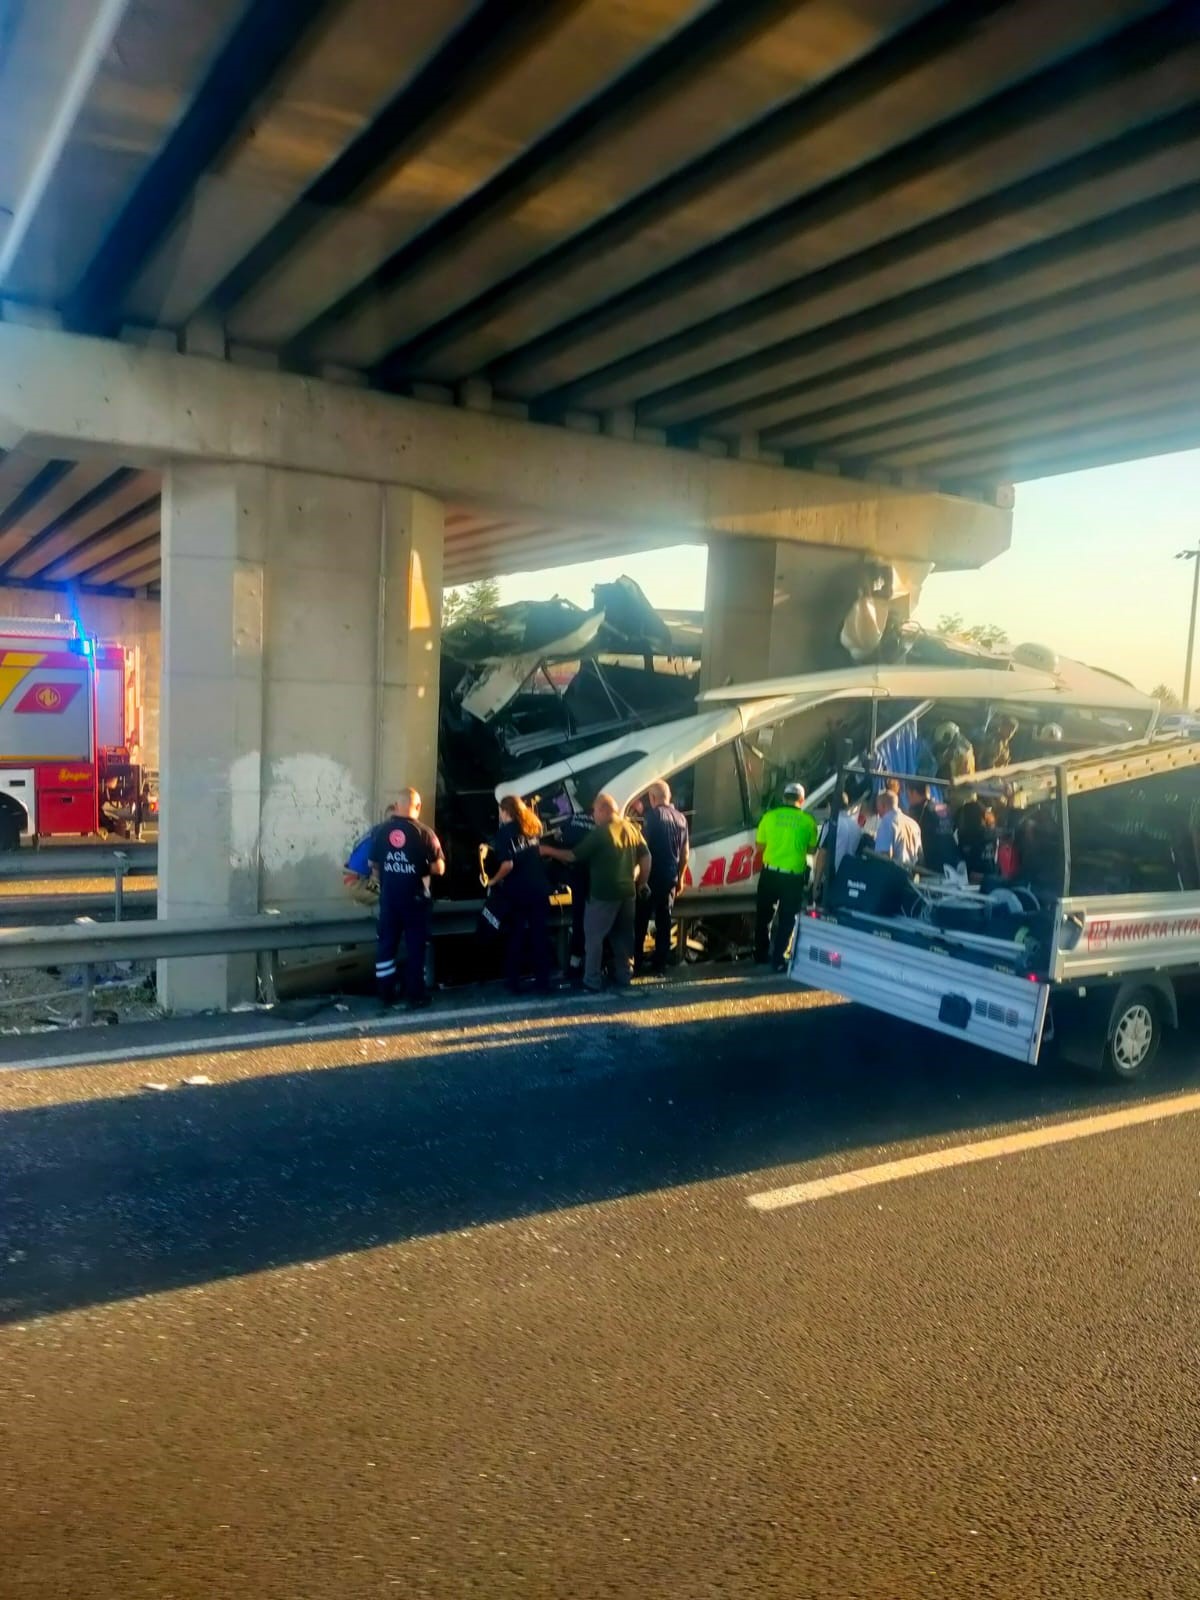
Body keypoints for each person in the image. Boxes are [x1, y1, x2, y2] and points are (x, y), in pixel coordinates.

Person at [540, 792, 650, 992]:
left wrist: (547, 851)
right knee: (622, 937)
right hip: (628, 893)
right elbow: (646, 857)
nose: (593, 817)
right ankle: (624, 976)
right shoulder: (632, 828)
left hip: (603, 894)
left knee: (594, 938)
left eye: (595, 812)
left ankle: (592, 980)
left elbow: (573, 856)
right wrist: (641, 882)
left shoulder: (601, 832)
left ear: (603, 810)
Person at [368, 788, 445, 1008]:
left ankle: (386, 992)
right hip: (415, 899)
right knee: (416, 947)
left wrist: (390, 873)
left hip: (390, 898)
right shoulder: (425, 833)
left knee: (386, 945)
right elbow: (440, 867)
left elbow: (372, 866)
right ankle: (415, 994)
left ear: (396, 805)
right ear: (418, 806)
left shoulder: (381, 832)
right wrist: (418, 868)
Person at [486, 795, 553, 996]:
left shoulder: (504, 833)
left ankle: (514, 982)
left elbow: (508, 865)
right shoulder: (532, 828)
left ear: (505, 811)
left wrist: (493, 880)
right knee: (540, 935)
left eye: (500, 810)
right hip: (540, 888)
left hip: (518, 891)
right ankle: (543, 982)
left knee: (516, 935)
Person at [755, 781, 819, 970]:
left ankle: (760, 955)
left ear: (784, 798)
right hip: (793, 877)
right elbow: (812, 849)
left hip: (769, 873)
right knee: (787, 918)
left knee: (764, 916)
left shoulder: (769, 817)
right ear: (801, 800)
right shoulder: (808, 821)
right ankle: (778, 959)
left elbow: (759, 846)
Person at [635, 779, 689, 974]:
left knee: (640, 921)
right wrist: (681, 878)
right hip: (670, 878)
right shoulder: (682, 819)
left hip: (650, 878)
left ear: (652, 797)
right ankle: (660, 965)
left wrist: (639, 878)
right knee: (664, 922)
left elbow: (642, 849)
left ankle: (637, 964)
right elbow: (685, 854)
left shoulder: (652, 816)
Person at [905, 782, 959, 872]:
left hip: (933, 864)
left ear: (913, 792)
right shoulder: (942, 807)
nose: (908, 799)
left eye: (908, 795)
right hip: (952, 860)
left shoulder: (918, 810)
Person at [874, 790, 923, 868]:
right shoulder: (914, 824)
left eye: (878, 807)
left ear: (883, 805)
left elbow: (883, 855)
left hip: (894, 874)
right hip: (910, 874)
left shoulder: (887, 822)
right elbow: (920, 856)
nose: (878, 813)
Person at [956, 798, 998, 883]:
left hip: (974, 879)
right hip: (991, 875)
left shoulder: (966, 837)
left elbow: (964, 859)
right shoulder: (990, 834)